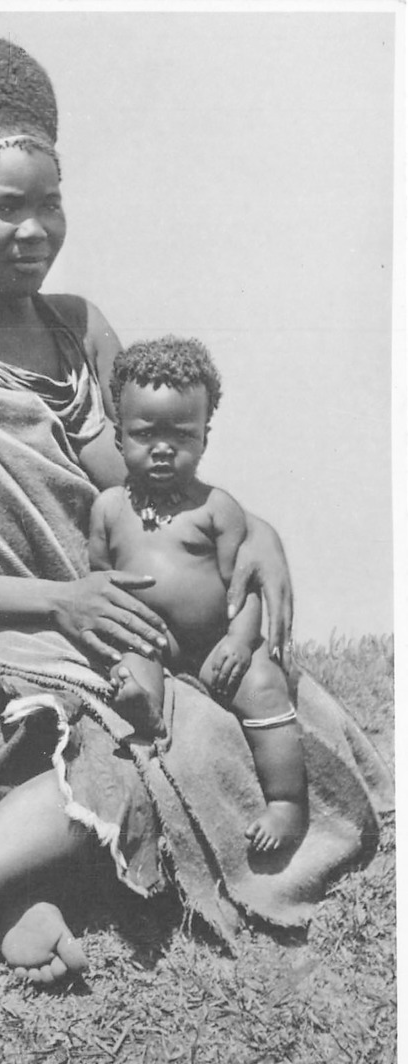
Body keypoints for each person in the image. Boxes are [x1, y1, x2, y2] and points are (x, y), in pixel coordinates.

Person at [0, 36, 387, 1064]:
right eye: (1, 208)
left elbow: (147, 487)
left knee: (270, 727)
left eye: (50, 204)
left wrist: (256, 532)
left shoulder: (81, 334)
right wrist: (57, 600)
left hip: (102, 624)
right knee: (136, 744)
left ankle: (22, 876)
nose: (33, 233)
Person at [89, 336, 307, 852]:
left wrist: (238, 640)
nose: (163, 447)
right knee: (131, 690)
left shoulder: (216, 509)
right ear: (119, 439)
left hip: (214, 646)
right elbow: (102, 578)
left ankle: (287, 804)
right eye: (146, 434)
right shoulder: (108, 509)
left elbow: (245, 585)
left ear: (204, 439)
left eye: (181, 435)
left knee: (264, 689)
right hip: (149, 642)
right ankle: (150, 764)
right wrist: (121, 643)